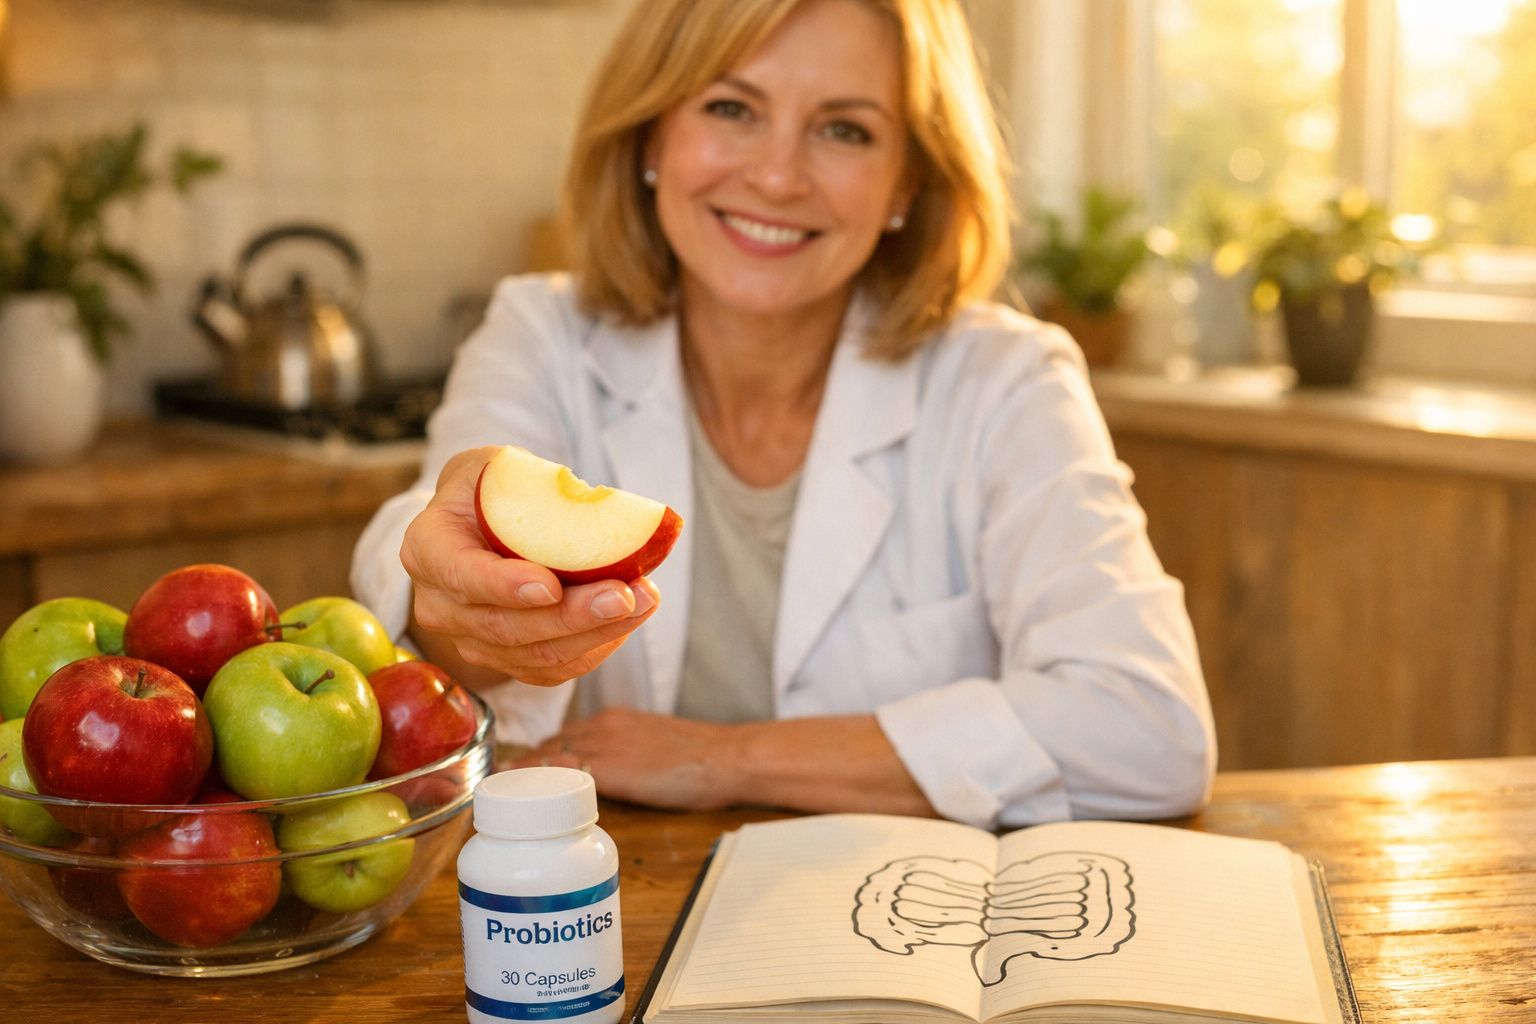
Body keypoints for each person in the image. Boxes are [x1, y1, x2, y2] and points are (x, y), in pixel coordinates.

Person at [351, 0, 1216, 830]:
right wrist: (450, 594)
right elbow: (434, 600)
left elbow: (1148, 730)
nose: (775, 175)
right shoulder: (538, 335)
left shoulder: (1008, 380)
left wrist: (726, 759)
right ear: (652, 134)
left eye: (845, 129)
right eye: (732, 107)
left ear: (905, 183)